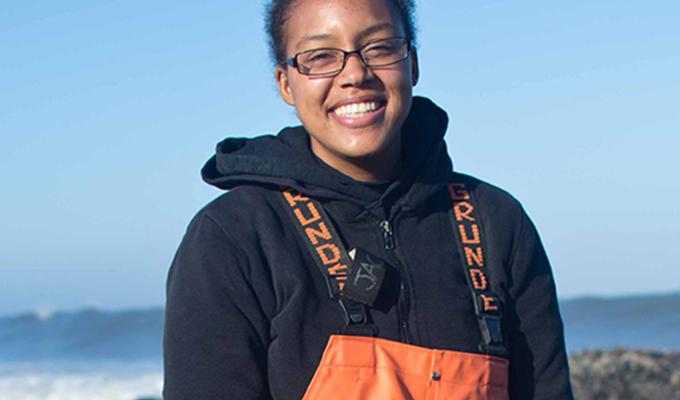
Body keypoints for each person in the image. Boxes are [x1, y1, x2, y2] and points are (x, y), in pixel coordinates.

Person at [163, 0, 574, 399]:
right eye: (320, 56)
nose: (355, 74)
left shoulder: (495, 222)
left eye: (379, 47)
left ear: (412, 64)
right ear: (286, 83)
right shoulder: (234, 237)